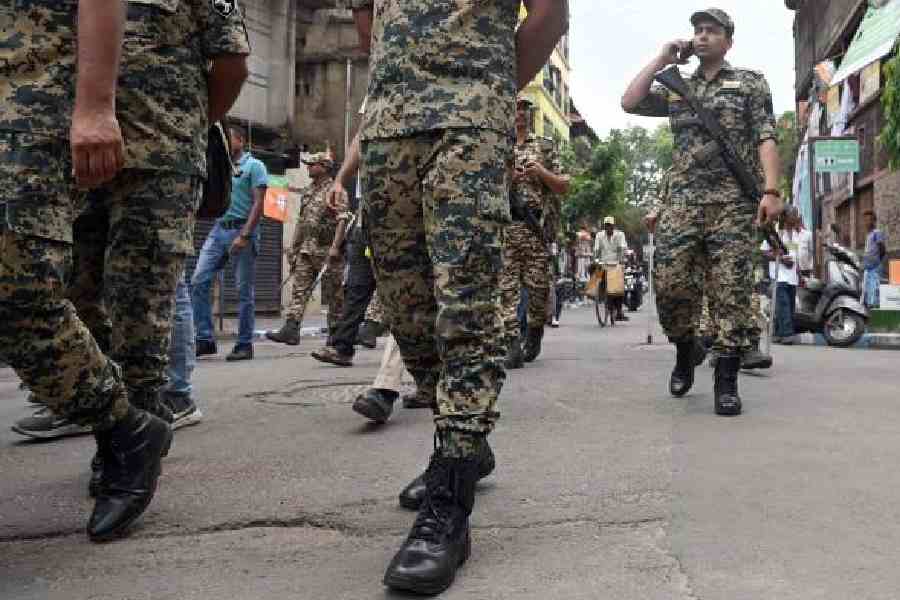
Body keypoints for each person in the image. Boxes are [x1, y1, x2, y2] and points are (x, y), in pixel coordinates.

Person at [350, 0, 568, 593]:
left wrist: (486, 91)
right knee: (404, 306)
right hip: (387, 127)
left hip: (470, 123)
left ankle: (449, 496)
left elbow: (551, 14)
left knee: (466, 305)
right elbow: (367, 19)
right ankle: (468, 442)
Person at [625, 8, 782, 416]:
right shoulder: (677, 85)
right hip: (681, 204)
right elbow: (630, 101)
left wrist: (771, 190)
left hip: (732, 205)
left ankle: (726, 382)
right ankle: (685, 349)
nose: (702, 36)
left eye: (711, 30)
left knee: (731, 294)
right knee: (671, 287)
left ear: (728, 40)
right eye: (697, 30)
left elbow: (766, 136)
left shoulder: (748, 82)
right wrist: (662, 57)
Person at [500, 97, 569, 369]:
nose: (519, 114)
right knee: (506, 290)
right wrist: (509, 179)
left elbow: (564, 185)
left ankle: (535, 332)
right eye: (514, 109)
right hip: (505, 226)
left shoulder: (545, 146)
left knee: (538, 291)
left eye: (524, 110)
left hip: (535, 229)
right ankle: (511, 344)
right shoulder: (498, 146)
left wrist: (540, 172)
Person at [192, 126, 268, 362]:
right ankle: (204, 338)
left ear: (241, 141)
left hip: (243, 229)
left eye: (229, 139)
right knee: (198, 280)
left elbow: (259, 203)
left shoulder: (254, 166)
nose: (225, 142)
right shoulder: (222, 166)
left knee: (243, 290)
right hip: (218, 229)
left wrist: (245, 235)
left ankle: (244, 344)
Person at [267, 152, 349, 345]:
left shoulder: (336, 191)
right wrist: (293, 249)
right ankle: (291, 328)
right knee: (299, 290)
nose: (309, 167)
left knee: (335, 297)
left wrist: (335, 248)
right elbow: (302, 223)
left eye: (313, 164)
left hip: (328, 251)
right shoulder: (308, 191)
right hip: (307, 249)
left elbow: (342, 220)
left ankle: (336, 336)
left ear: (324, 167)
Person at [763, 206, 811, 344]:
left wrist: (800, 276)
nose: (796, 217)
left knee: (789, 306)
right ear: (785, 217)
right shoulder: (776, 233)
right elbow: (765, 252)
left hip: (792, 277)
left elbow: (794, 258)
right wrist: (780, 259)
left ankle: (777, 334)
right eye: (793, 215)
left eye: (796, 214)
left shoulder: (797, 235)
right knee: (783, 304)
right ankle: (787, 334)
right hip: (779, 276)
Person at [594, 216, 629, 321]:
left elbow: (623, 248)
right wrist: (595, 258)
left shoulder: (620, 235)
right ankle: (593, 293)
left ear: (613, 226)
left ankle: (619, 311)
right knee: (594, 273)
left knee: (618, 287)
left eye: (610, 225)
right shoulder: (599, 235)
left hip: (616, 263)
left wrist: (622, 259)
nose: (608, 227)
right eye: (606, 225)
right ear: (604, 226)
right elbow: (596, 249)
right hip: (603, 263)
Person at [863, 210, 886, 308]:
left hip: (875, 267)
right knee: (869, 291)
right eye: (865, 220)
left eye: (869, 220)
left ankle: (875, 312)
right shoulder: (868, 235)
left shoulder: (877, 233)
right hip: (868, 267)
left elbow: (882, 248)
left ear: (874, 221)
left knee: (875, 290)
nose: (867, 222)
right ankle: (870, 311)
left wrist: (878, 261)